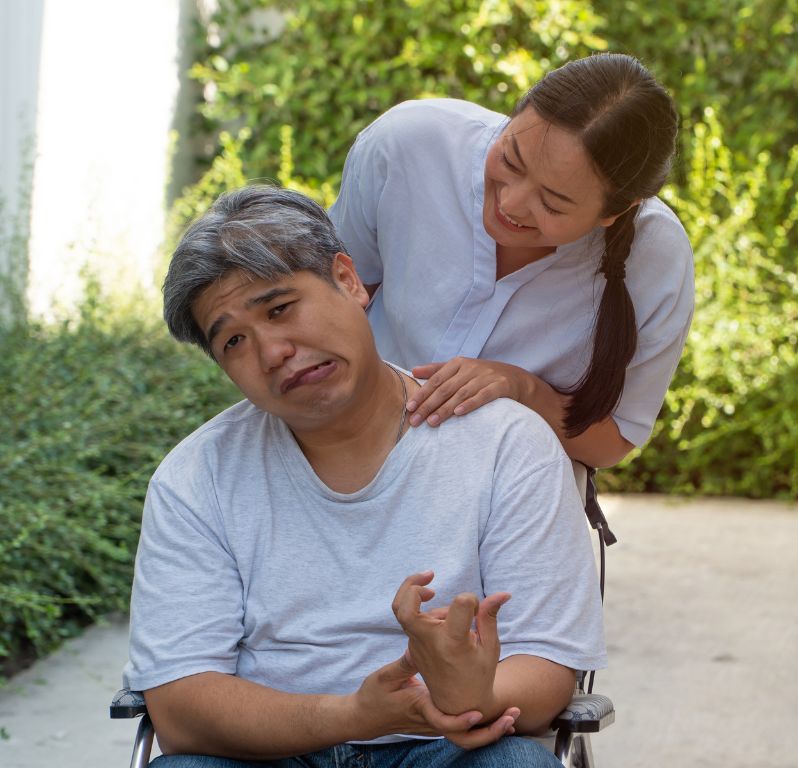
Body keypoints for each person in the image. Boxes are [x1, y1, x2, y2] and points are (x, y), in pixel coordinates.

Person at [123, 185, 606, 767]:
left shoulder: (506, 444)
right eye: (233, 341)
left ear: (349, 281)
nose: (273, 351)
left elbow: (545, 670)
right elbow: (180, 705)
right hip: (268, 753)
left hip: (447, 745)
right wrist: (353, 714)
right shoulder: (194, 479)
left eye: (279, 308)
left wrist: (465, 695)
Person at [329, 52, 695, 470]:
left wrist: (523, 389)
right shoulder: (408, 145)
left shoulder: (656, 257)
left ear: (615, 212)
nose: (510, 202)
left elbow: (611, 442)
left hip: (512, 511)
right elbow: (331, 305)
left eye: (553, 204)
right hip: (348, 469)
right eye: (510, 159)